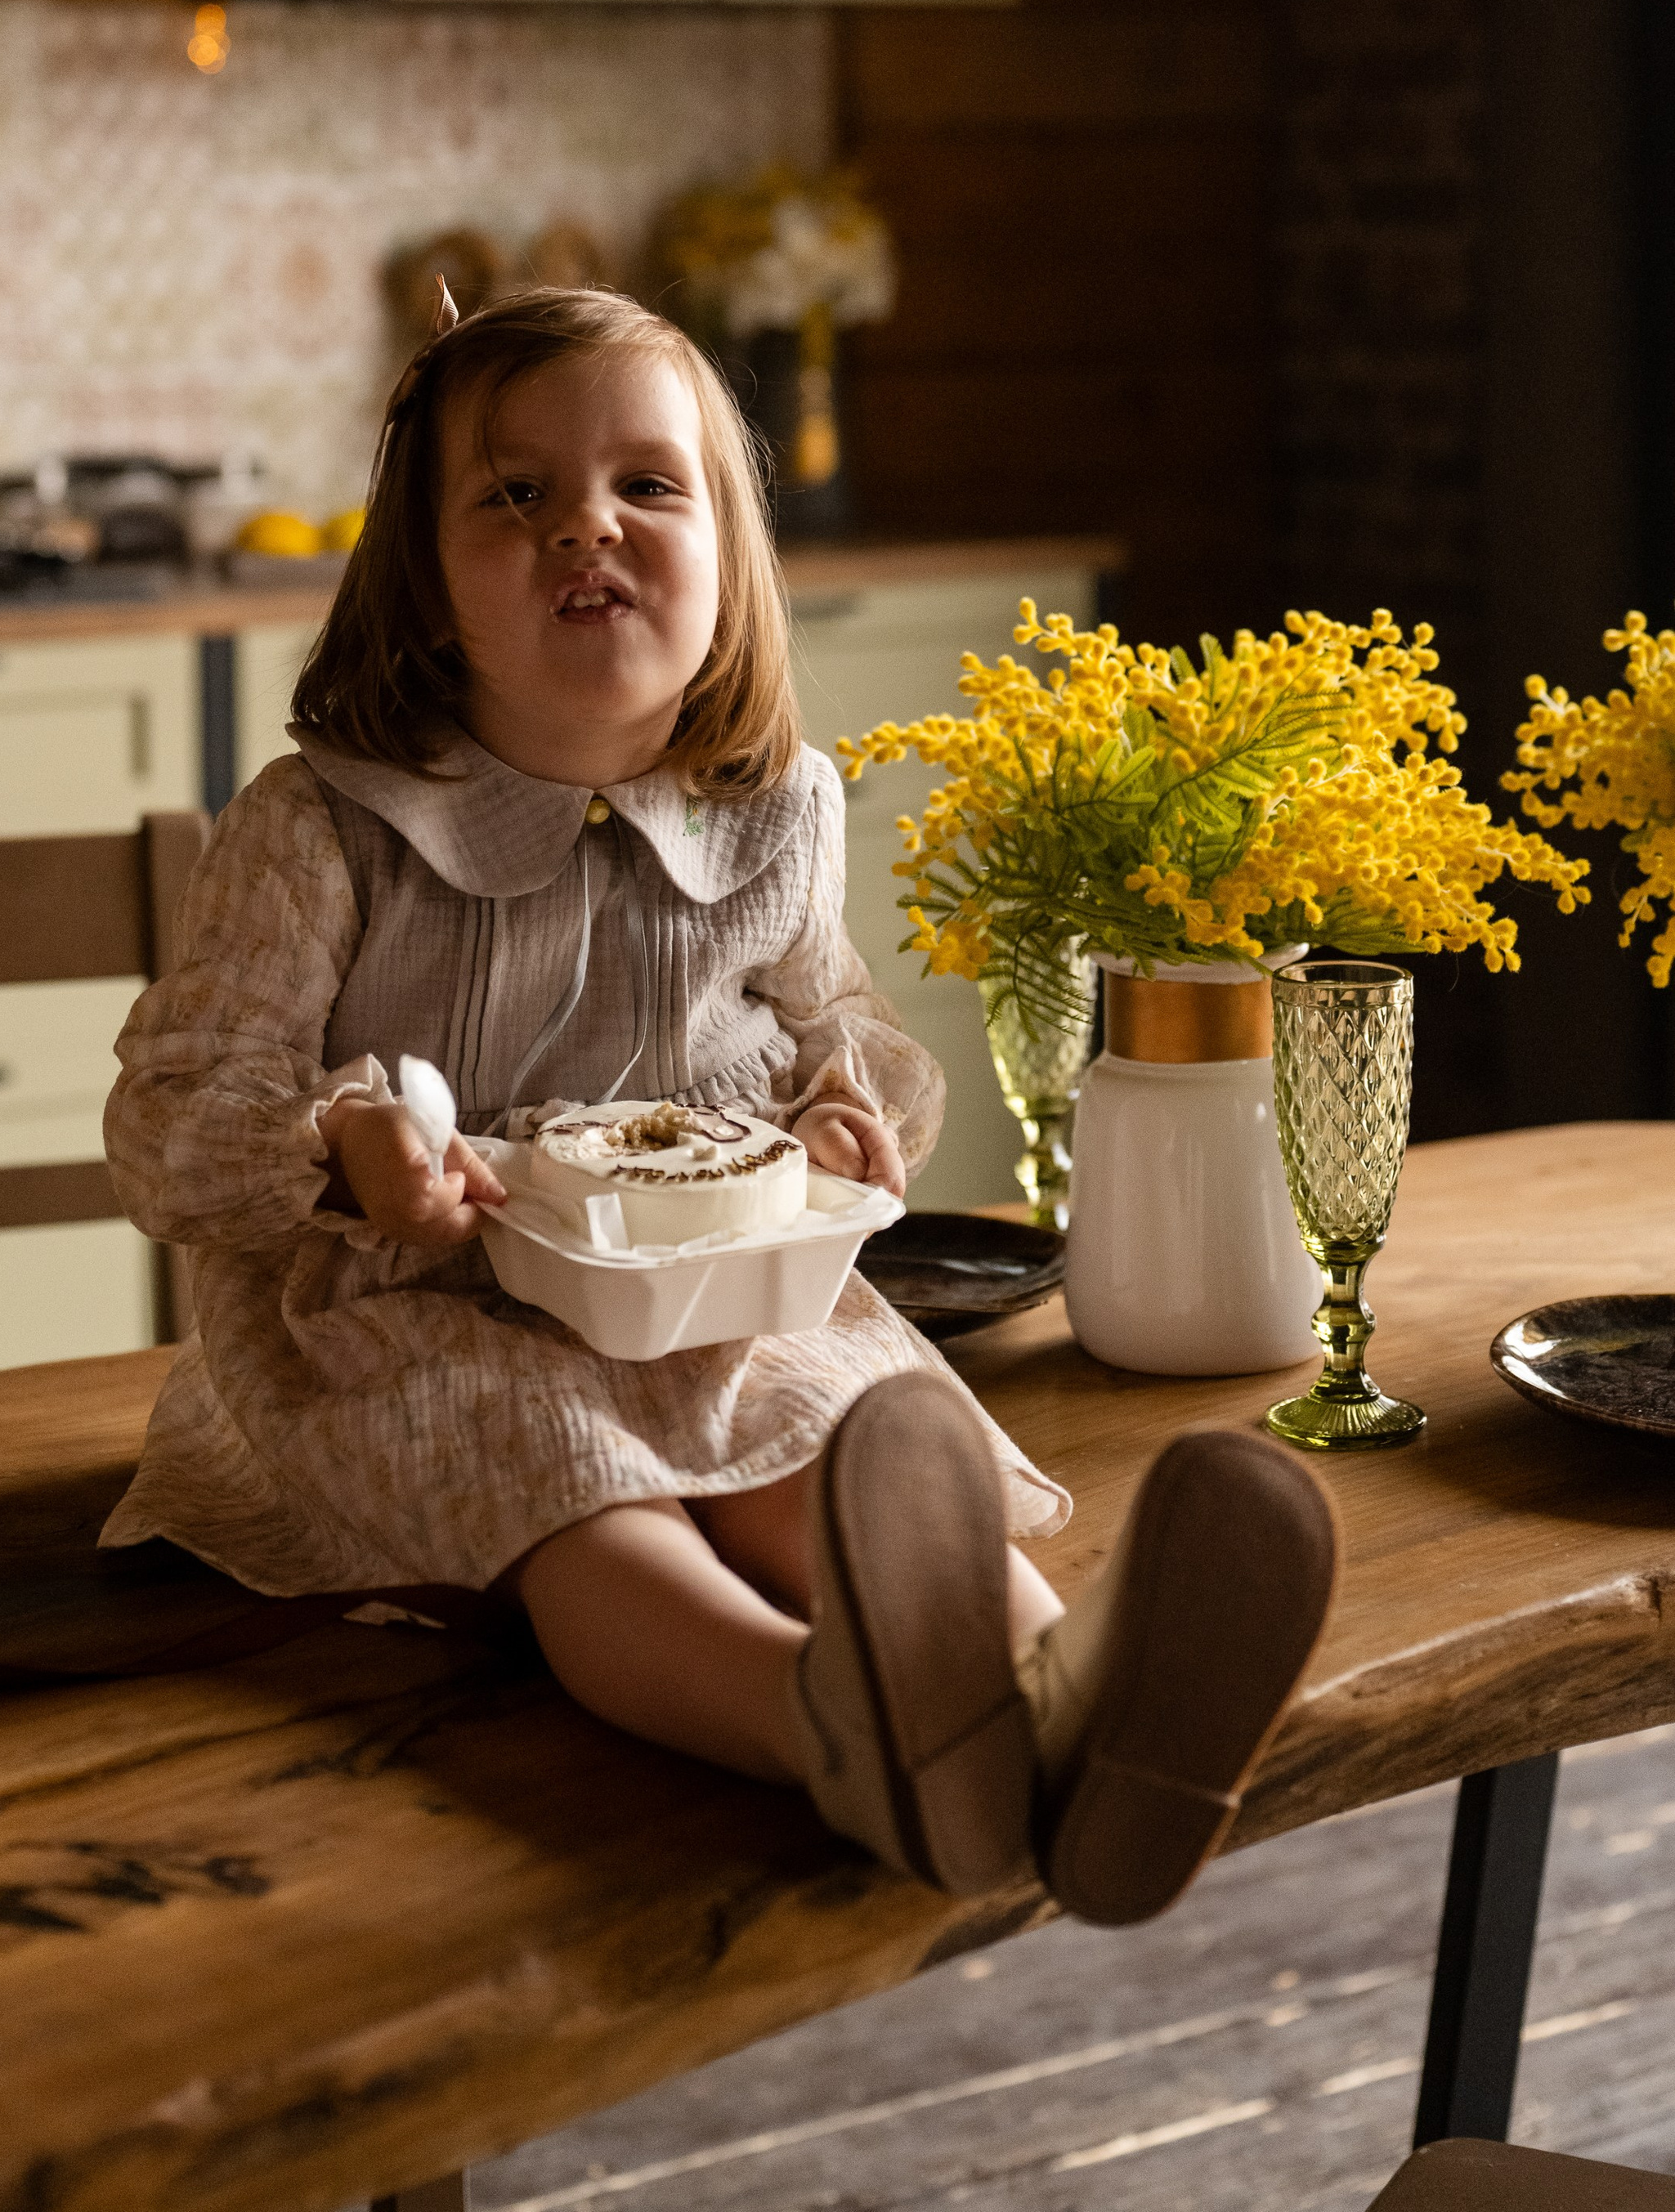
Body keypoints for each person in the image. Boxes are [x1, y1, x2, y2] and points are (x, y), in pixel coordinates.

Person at [101, 285, 1338, 1923]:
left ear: (725, 561)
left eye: (644, 484)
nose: (582, 526)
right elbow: (172, 1112)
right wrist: (334, 1149)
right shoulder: (321, 827)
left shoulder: (769, 815)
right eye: (512, 493)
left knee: (837, 1436)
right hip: (407, 1324)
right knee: (576, 1489)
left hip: (711, 1299)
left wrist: (842, 1108)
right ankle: (823, 1720)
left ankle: (1067, 1700)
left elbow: (842, 1033)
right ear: (422, 574)